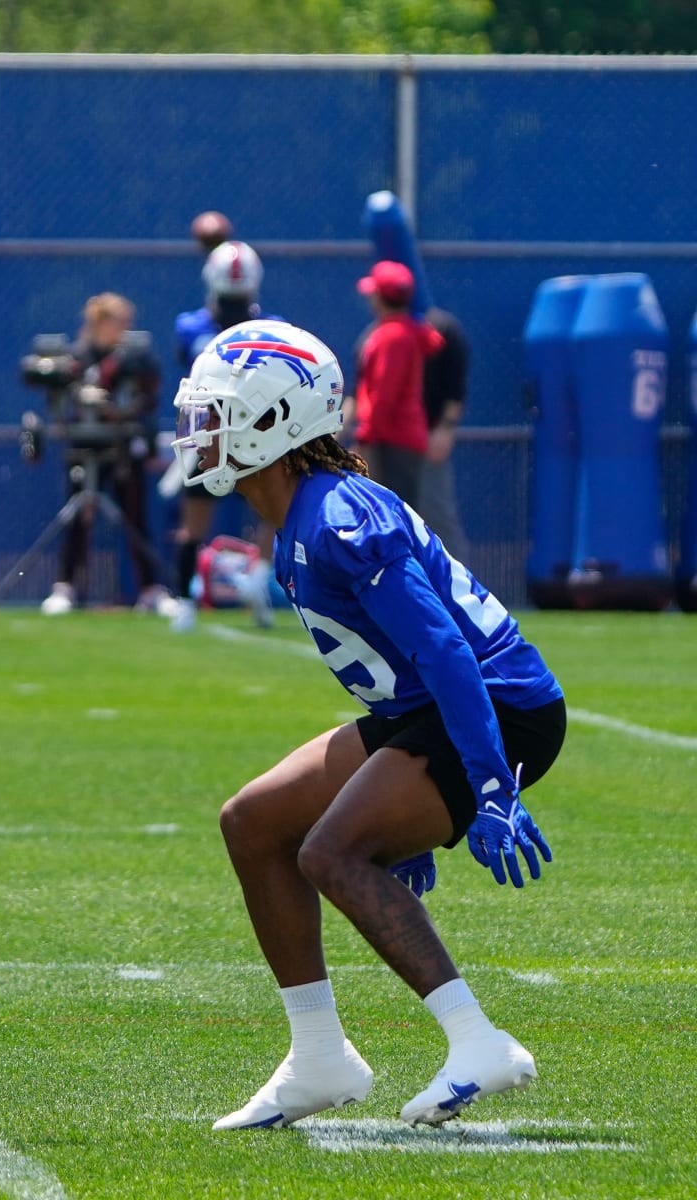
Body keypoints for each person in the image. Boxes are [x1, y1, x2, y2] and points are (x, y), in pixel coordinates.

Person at [170, 319, 566, 1130]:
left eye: (216, 414)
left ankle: (477, 1041)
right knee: (253, 822)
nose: (199, 432)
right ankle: (319, 1056)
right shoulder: (297, 516)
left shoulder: (339, 521)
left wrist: (491, 786)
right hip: (421, 706)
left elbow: (448, 652)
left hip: (496, 708)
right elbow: (408, 674)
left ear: (274, 424)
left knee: (330, 851)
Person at [169, 240, 280, 631]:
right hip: (226, 433)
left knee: (269, 513)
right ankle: (196, 595)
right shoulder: (269, 328)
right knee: (206, 521)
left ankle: (246, 587)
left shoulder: (194, 327)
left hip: (227, 433)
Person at [39, 292, 165, 615]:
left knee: (136, 518)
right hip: (85, 446)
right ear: (99, 322)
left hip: (121, 447)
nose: (124, 328)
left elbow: (149, 389)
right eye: (118, 321)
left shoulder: (132, 357)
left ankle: (150, 589)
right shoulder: (78, 357)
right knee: (78, 518)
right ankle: (65, 586)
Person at [345, 260, 444, 512]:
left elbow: (384, 393)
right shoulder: (403, 331)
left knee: (390, 513)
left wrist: (366, 435)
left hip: (390, 439)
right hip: (396, 436)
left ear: (379, 296)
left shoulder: (392, 336)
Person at [419, 305, 471, 562]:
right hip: (389, 443)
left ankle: (463, 593)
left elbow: (456, 386)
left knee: (438, 516)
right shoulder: (378, 333)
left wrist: (446, 427)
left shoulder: (442, 327)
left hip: (426, 438)